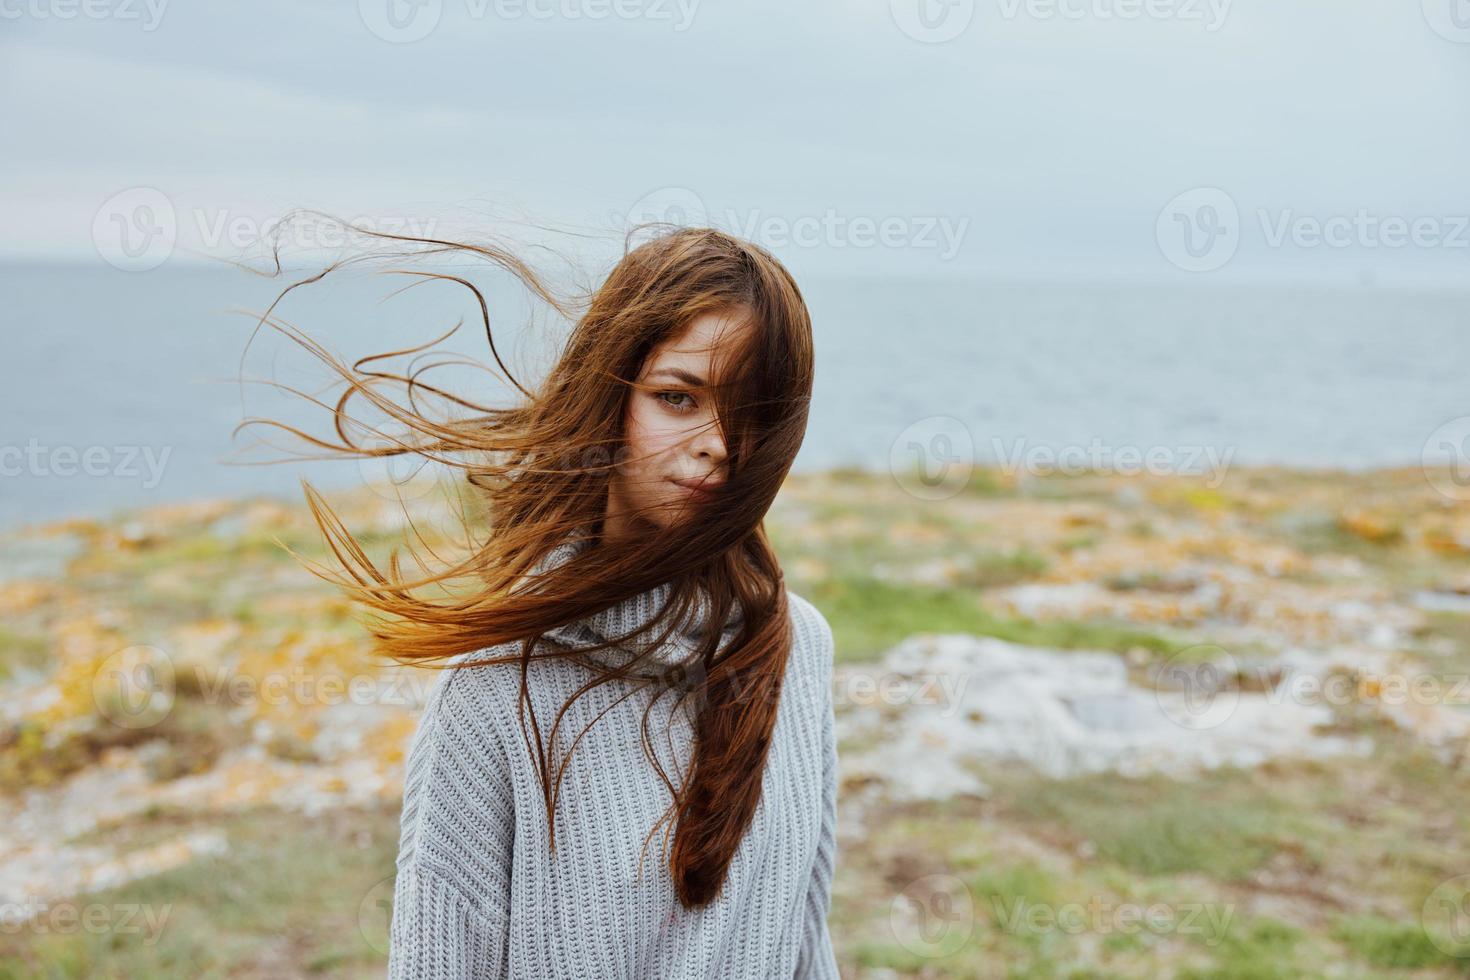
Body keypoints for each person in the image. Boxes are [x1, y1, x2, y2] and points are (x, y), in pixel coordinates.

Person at [248, 224, 840, 977]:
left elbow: (805, 939)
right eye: (677, 397)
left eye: (754, 414)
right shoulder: (495, 685)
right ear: (607, 394)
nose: (719, 443)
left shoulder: (797, 643)